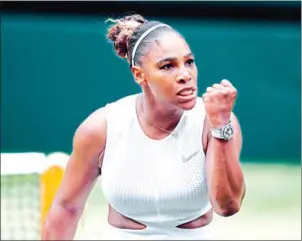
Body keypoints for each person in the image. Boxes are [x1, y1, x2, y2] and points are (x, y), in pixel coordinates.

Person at [41, 14, 246, 240]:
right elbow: (66, 208)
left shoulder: (216, 123)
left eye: (189, 62)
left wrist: (220, 127)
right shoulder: (100, 129)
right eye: (168, 66)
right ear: (139, 74)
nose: (185, 75)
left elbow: (228, 205)